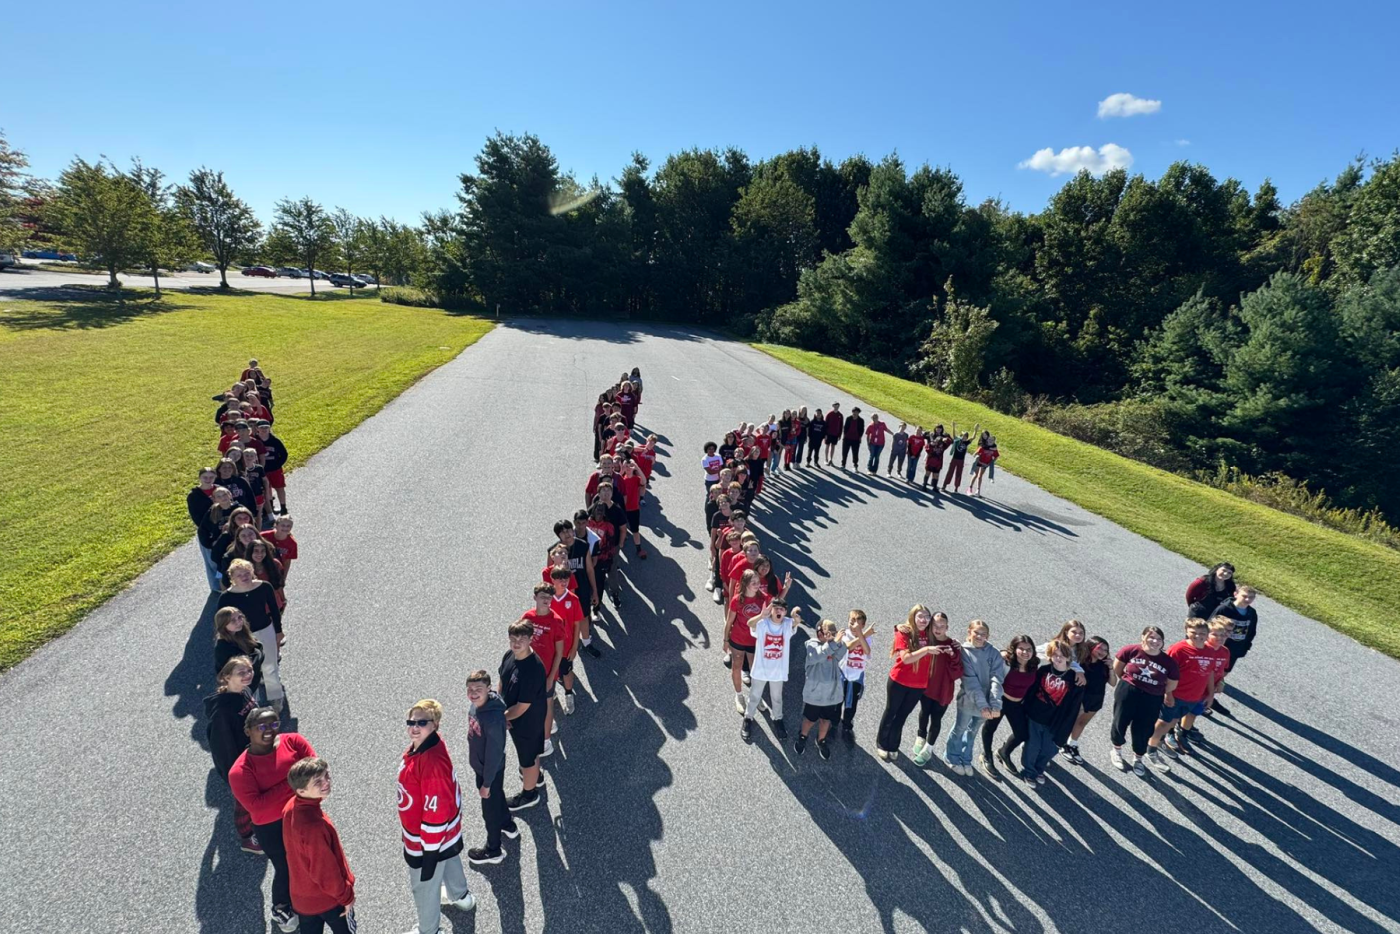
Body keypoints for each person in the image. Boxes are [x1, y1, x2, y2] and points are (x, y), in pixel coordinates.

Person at [229, 708, 316, 933]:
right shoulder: (239, 770)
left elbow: (314, 771)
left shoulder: (294, 742)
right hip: (271, 827)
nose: (269, 731)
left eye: (274, 725)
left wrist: (290, 788)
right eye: (261, 727)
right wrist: (294, 782)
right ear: (248, 731)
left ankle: (308, 897)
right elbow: (257, 806)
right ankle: (281, 908)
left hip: (303, 813)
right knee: (285, 866)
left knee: (311, 858)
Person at [399, 698, 476, 929]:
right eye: (411, 721)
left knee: (424, 887)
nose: (414, 727)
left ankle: (429, 930)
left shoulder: (431, 763)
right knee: (450, 856)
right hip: (444, 835)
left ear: (435, 724)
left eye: (422, 722)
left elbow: (435, 814)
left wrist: (429, 853)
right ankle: (461, 896)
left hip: (427, 840)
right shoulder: (428, 744)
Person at [282, 757, 357, 934]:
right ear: (302, 790)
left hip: (303, 900)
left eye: (326, 776)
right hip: (329, 899)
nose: (326, 782)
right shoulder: (313, 826)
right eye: (318, 782)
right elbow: (325, 871)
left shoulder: (291, 806)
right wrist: (346, 897)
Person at [205, 655, 262, 853]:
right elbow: (223, 748)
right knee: (244, 802)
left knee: (254, 798)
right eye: (241, 673)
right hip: (241, 765)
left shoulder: (243, 693)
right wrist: (235, 776)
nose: (248, 675)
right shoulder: (222, 712)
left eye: (249, 671)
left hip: (254, 756)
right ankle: (247, 837)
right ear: (226, 677)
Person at [1108, 626, 1180, 776]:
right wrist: (1131, 683)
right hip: (1128, 691)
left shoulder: (1169, 662)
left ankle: (1138, 758)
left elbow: (1172, 684)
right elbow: (1118, 669)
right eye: (1151, 637)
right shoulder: (1130, 650)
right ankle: (1116, 750)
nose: (1155, 641)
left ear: (1162, 642)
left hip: (1152, 697)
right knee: (1120, 720)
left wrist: (1157, 690)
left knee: (1144, 728)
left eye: (1159, 639)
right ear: (1143, 637)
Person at [466, 669, 519, 865]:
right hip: (484, 767)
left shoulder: (492, 718)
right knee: (497, 796)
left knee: (489, 810)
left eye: (478, 689)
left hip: (489, 771)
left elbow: (494, 754)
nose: (473, 693)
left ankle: (493, 849)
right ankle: (507, 824)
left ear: (488, 689)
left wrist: (486, 783)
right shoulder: (479, 706)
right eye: (470, 689)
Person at [218, 560, 285, 709]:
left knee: (270, 664)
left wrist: (278, 631)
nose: (244, 577)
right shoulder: (226, 597)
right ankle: (250, 702)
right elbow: (222, 621)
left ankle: (276, 697)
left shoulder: (264, 587)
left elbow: (274, 610)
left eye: (247, 572)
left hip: (265, 629)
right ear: (232, 578)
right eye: (239, 575)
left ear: (253, 572)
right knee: (247, 670)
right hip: (241, 636)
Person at [874, 606, 937, 761]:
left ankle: (894, 745)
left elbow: (945, 637)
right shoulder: (904, 632)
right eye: (920, 616)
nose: (923, 620)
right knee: (891, 712)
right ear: (912, 617)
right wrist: (927, 649)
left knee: (902, 715)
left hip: (919, 685)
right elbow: (906, 658)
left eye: (927, 617)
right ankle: (882, 743)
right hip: (899, 681)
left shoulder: (931, 634)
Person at [1020, 640, 1085, 786]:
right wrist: (1025, 710)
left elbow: (1074, 707)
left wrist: (1066, 728)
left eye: (1062, 655)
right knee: (1032, 745)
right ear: (1050, 656)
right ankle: (1029, 772)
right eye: (1055, 655)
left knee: (1049, 749)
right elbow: (1031, 691)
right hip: (1035, 716)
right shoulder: (1043, 671)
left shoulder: (1075, 679)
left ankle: (1039, 769)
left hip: (1056, 721)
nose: (1058, 658)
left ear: (1069, 658)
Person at [499, 620, 548, 810]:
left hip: (527, 722)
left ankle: (529, 795)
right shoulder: (510, 655)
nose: (516, 642)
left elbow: (522, 707)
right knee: (530, 754)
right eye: (513, 638)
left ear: (531, 639)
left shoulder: (533, 669)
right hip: (514, 718)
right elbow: (502, 680)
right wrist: (500, 707)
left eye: (522, 638)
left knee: (527, 758)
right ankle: (536, 776)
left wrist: (502, 718)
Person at [946, 619, 1005, 776]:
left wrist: (995, 704)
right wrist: (984, 706)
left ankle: (966, 759)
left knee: (972, 732)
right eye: (976, 633)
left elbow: (997, 679)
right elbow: (970, 681)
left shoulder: (994, 653)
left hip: (987, 706)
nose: (979, 636)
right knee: (960, 729)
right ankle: (952, 757)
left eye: (983, 634)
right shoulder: (964, 652)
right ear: (969, 632)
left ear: (988, 636)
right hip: (969, 701)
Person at [742, 598, 802, 742]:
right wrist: (761, 616)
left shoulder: (787, 624)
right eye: (776, 608)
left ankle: (777, 719)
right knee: (755, 696)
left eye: (782, 609)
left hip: (778, 671)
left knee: (777, 698)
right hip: (761, 669)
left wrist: (796, 618)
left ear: (785, 612)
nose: (779, 611)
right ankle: (748, 718)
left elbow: (794, 622)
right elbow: (749, 624)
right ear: (771, 610)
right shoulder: (763, 623)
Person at [1156, 618, 1216, 761]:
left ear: (1208, 633)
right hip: (1175, 694)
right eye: (1193, 632)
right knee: (1163, 721)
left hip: (1194, 697)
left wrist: (1211, 694)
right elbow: (1165, 672)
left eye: (1202, 633)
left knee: (1173, 720)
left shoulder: (1210, 651)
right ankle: (1152, 743)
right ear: (1186, 632)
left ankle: (1159, 739)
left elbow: (1209, 674)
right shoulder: (1178, 649)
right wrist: (1167, 694)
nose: (1198, 636)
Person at [911, 611, 963, 767]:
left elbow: (957, 673)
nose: (938, 628)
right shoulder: (926, 641)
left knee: (936, 719)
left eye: (942, 626)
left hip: (943, 690)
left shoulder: (953, 645)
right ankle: (921, 736)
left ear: (947, 627)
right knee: (924, 712)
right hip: (926, 687)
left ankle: (929, 748)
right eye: (935, 625)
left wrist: (953, 655)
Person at [519, 584, 564, 757]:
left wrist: (551, 677)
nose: (546, 600)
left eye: (549, 597)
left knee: (547, 704)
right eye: (543, 596)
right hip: (530, 672)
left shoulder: (556, 621)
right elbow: (521, 643)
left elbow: (559, 652)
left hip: (547, 673)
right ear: (535, 597)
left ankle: (545, 742)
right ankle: (548, 724)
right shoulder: (527, 617)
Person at [985, 636, 1037, 778]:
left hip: (1017, 704)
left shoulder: (1034, 664)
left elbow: (1057, 651)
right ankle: (987, 756)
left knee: (1022, 734)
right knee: (990, 728)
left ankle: (1003, 752)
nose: (1025, 652)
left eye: (1029, 649)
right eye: (1021, 649)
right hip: (1001, 701)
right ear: (1014, 649)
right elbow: (988, 655)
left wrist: (1078, 670)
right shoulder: (1006, 661)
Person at [796, 620, 847, 759]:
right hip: (815, 694)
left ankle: (821, 740)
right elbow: (819, 655)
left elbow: (841, 653)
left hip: (831, 695)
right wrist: (832, 643)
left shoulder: (834, 645)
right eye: (827, 633)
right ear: (819, 633)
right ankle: (803, 736)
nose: (830, 636)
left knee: (826, 720)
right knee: (810, 720)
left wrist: (838, 642)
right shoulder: (812, 645)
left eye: (832, 633)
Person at [1064, 636, 1115, 765]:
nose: (1103, 652)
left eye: (1105, 650)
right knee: (1069, 721)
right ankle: (1062, 744)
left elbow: (1113, 683)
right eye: (1100, 648)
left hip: (1096, 699)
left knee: (1082, 723)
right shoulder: (1081, 662)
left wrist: (1111, 668)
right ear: (1091, 647)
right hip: (1079, 697)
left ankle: (1073, 744)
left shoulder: (1104, 665)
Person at [1212, 585, 1259, 713]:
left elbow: (1251, 631)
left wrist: (1245, 646)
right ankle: (1207, 696)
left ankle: (1211, 691)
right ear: (1236, 594)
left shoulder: (1251, 613)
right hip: (1219, 647)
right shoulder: (1224, 609)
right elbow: (1211, 624)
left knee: (1225, 671)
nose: (1247, 599)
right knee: (1212, 671)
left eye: (1251, 598)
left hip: (1235, 649)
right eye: (1244, 596)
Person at [726, 569, 769, 708]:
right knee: (737, 666)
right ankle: (739, 696)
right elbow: (729, 622)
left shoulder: (763, 598)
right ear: (745, 584)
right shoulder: (736, 600)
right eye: (753, 582)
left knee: (755, 669)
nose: (757, 585)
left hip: (754, 640)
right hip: (737, 639)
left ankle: (756, 696)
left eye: (758, 582)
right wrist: (725, 640)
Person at [548, 567, 585, 715]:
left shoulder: (573, 600)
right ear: (552, 580)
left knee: (566, 671)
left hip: (566, 646)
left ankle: (569, 694)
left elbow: (577, 624)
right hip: (550, 646)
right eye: (560, 579)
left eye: (566, 579)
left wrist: (575, 646)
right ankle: (552, 692)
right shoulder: (547, 598)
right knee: (551, 671)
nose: (563, 582)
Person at [214, 606, 265, 700]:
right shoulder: (223, 648)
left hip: (251, 683)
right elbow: (224, 672)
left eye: (240, 617)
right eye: (233, 621)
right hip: (240, 689)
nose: (239, 622)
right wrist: (257, 653)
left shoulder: (240, 633)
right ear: (223, 625)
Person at [839, 610, 875, 740]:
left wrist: (862, 635)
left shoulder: (868, 638)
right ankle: (833, 724)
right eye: (851, 622)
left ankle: (847, 725)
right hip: (843, 675)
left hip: (856, 677)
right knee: (837, 702)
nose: (853, 627)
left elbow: (867, 650)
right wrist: (862, 634)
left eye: (857, 625)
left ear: (863, 625)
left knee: (852, 705)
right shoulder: (844, 634)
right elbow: (848, 646)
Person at [188, 467, 223, 590]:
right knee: (211, 561)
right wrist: (209, 531)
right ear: (200, 478)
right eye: (205, 477)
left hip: (223, 529)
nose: (208, 480)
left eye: (211, 477)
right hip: (206, 532)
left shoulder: (220, 490)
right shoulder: (194, 496)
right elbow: (196, 518)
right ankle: (216, 587)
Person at [942, 424, 978, 493]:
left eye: (965, 437)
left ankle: (956, 488)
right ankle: (944, 485)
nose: (964, 437)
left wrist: (975, 430)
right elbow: (954, 435)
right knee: (950, 472)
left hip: (961, 461)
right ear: (961, 436)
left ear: (967, 438)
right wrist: (953, 427)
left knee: (959, 474)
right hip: (954, 459)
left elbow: (973, 437)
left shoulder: (966, 442)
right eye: (963, 436)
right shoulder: (957, 441)